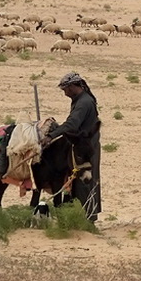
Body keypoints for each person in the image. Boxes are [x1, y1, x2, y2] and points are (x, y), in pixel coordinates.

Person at [46, 72, 102, 222]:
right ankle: (79, 217)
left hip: (86, 149)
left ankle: (87, 218)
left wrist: (51, 136)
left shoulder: (84, 102)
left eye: (65, 89)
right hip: (85, 145)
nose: (64, 93)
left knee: (85, 181)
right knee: (78, 182)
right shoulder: (81, 100)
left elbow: (72, 124)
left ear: (71, 87)